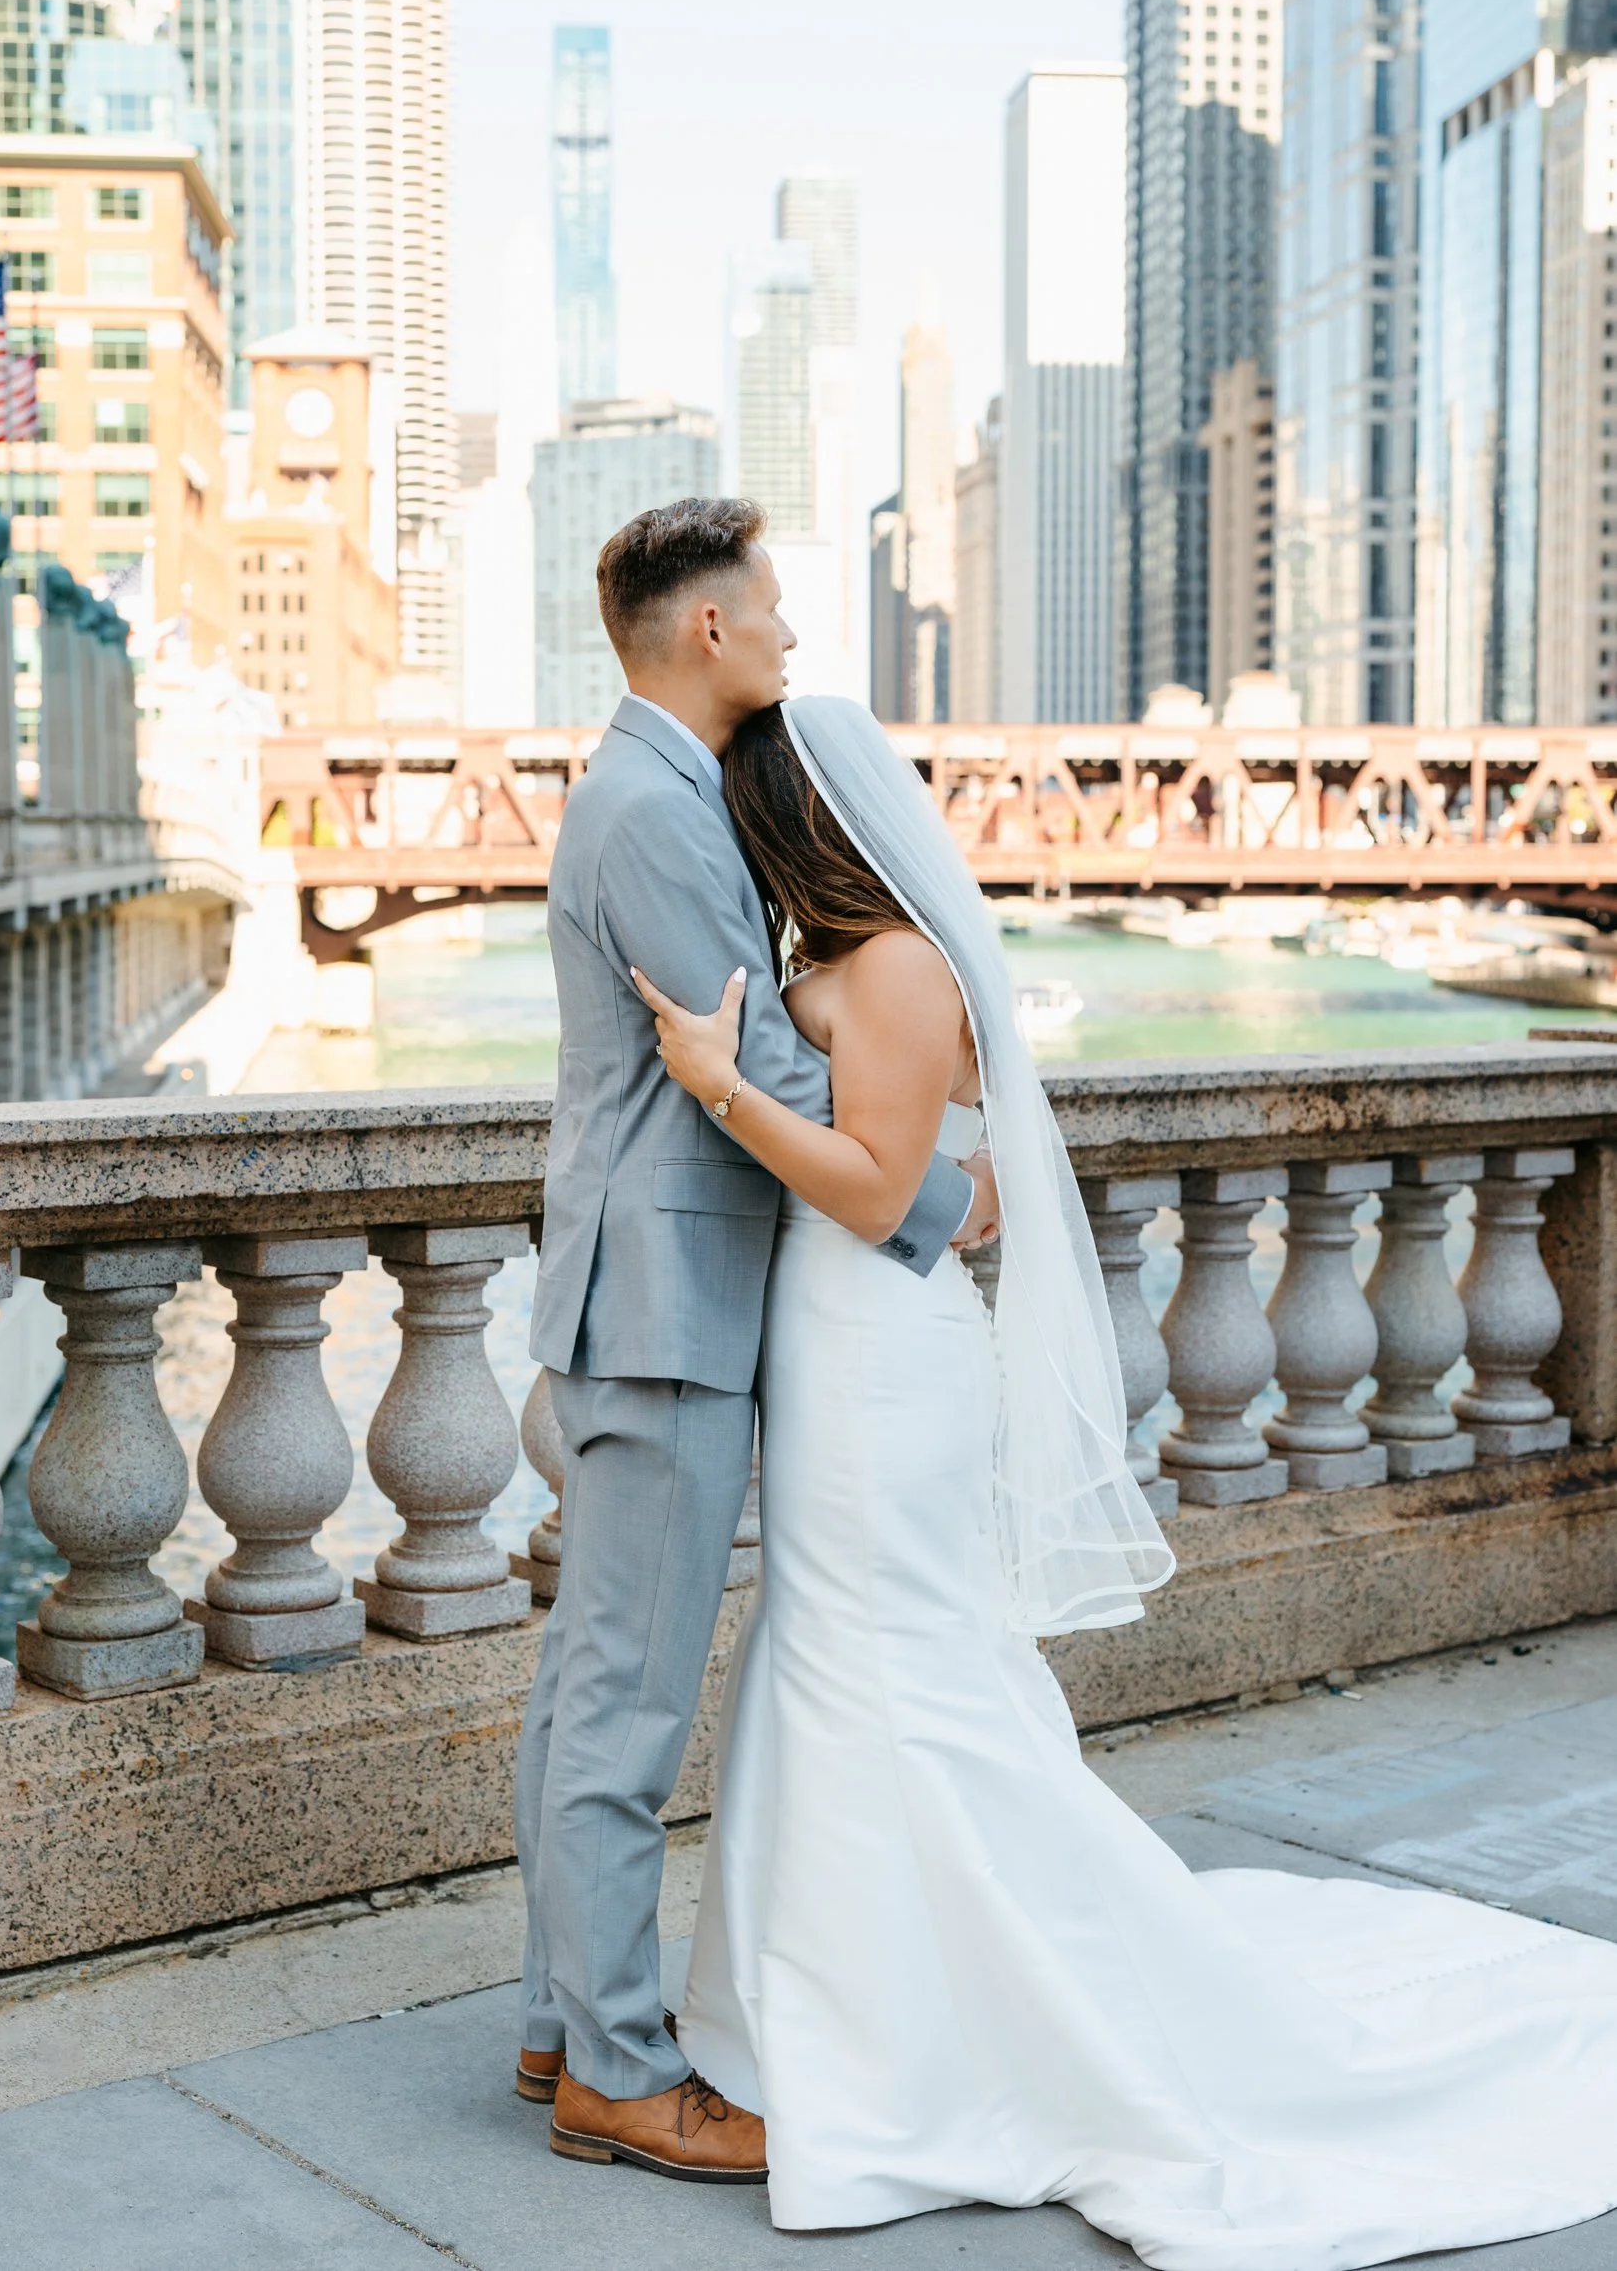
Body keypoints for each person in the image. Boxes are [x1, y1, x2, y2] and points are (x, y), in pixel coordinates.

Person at [635, 692, 1617, 2267]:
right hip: (868, 1349)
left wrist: (720, 1081)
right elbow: (969, 1206)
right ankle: (865, 2021)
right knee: (862, 1664)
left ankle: (907, 2044)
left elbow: (882, 1186)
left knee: (875, 1669)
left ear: (781, 826)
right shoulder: (895, 963)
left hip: (874, 1366)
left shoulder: (885, 965)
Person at [514, 499, 997, 2184]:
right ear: (704, 628)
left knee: (589, 1688)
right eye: (774, 609)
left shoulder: (656, 790)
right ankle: (625, 2078)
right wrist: (930, 1198)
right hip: (664, 1306)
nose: (790, 636)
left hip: (656, 1293)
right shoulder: (652, 810)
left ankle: (563, 2021)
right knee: (627, 1706)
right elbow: (760, 1083)